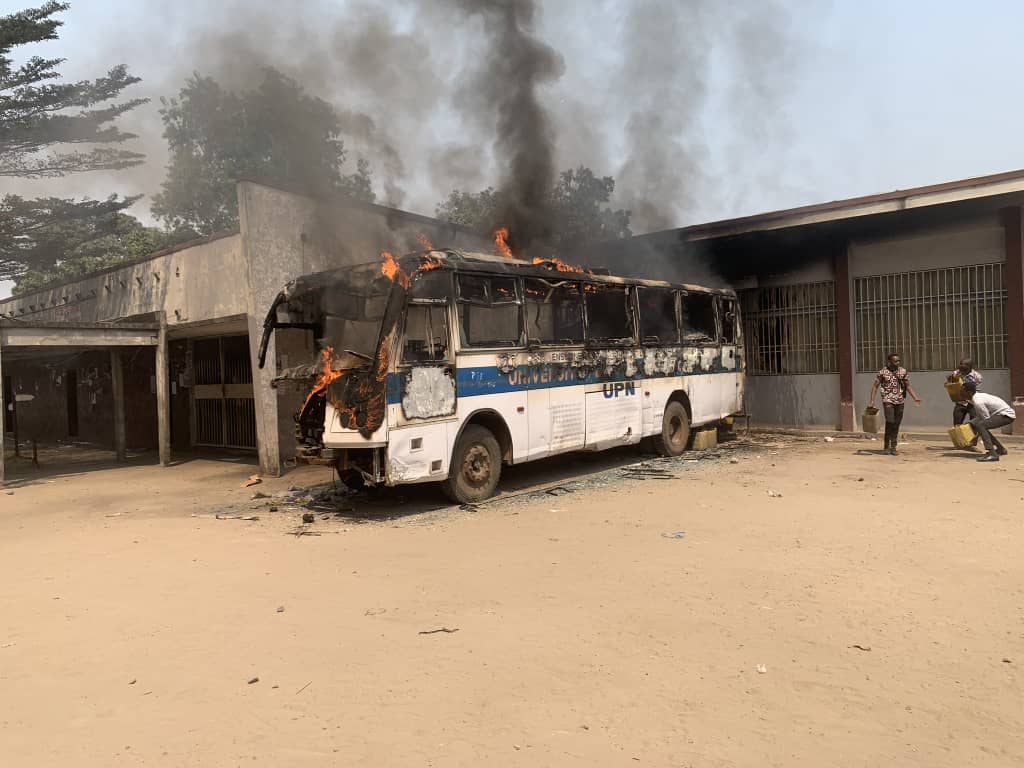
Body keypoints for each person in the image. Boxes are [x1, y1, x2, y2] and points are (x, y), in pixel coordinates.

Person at [869, 352, 922, 455]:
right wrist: (872, 401)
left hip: (900, 400)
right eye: (895, 361)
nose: (897, 362)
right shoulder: (882, 372)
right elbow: (875, 386)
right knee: (890, 421)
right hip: (888, 399)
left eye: (898, 361)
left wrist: (915, 398)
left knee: (896, 423)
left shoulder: (903, 371)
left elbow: (908, 386)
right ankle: (886, 446)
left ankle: (893, 447)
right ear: (889, 361)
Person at [963, 382, 1015, 462]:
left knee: (981, 426)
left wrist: (975, 435)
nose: (960, 393)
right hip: (1001, 414)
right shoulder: (975, 397)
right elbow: (982, 417)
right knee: (979, 425)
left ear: (969, 392)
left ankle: (992, 454)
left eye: (962, 391)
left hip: (1006, 415)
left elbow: (986, 419)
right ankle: (1000, 449)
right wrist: (971, 423)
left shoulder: (978, 401)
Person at [951, 358, 983, 426]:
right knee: (957, 423)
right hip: (960, 402)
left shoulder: (977, 376)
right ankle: (959, 436)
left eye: (963, 364)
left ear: (969, 366)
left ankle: (973, 436)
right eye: (960, 363)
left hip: (972, 403)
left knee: (974, 423)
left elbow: (977, 390)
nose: (961, 365)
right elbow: (951, 385)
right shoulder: (956, 373)